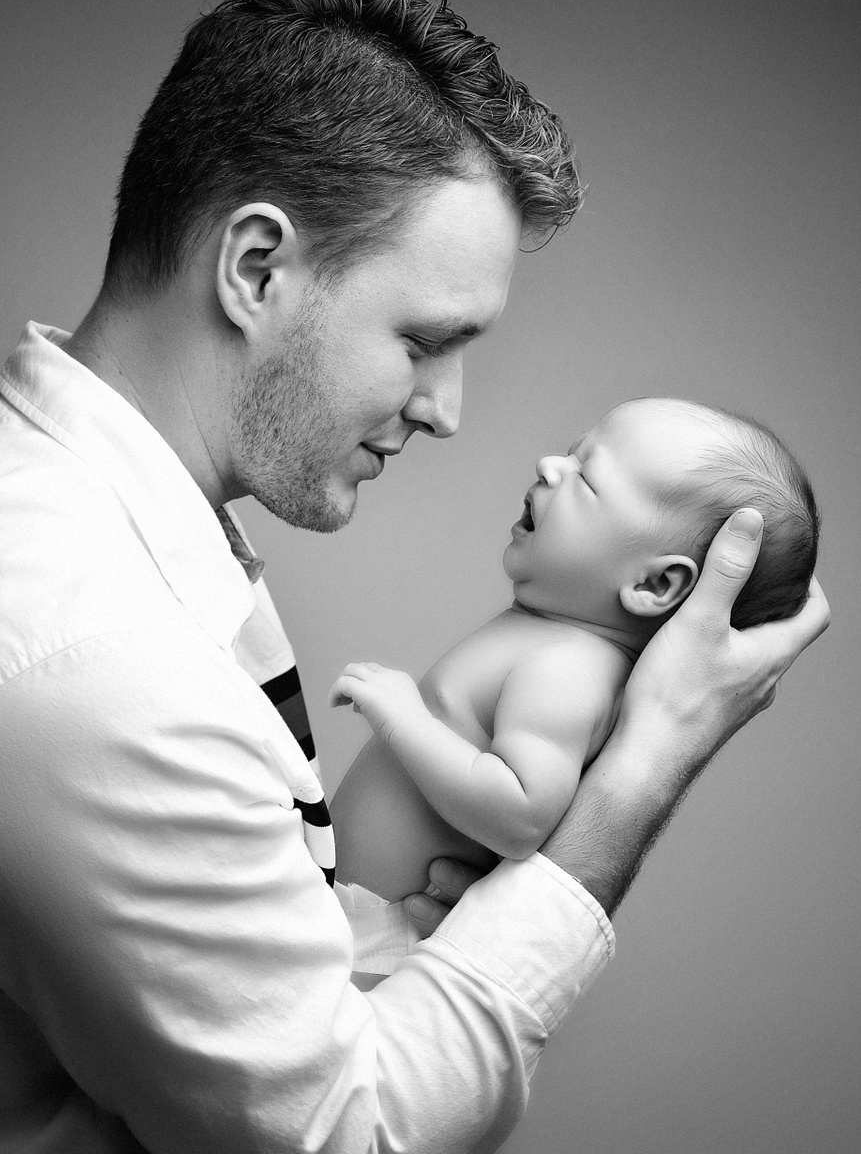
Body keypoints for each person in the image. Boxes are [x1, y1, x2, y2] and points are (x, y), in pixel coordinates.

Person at [0, 0, 829, 1154]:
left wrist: (386, 954)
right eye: (424, 340)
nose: (448, 410)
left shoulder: (66, 520)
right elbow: (350, 1137)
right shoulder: (93, 662)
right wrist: (641, 774)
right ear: (256, 268)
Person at [328, 399, 818, 985]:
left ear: (655, 583)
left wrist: (403, 716)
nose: (549, 466)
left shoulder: (568, 668)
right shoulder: (551, 639)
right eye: (568, 452)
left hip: (372, 937)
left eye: (586, 478)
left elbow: (519, 814)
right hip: (343, 911)